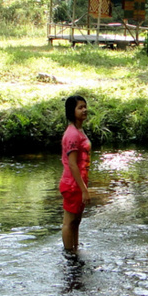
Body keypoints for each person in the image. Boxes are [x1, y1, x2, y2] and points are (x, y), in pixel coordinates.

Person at [60, 95, 91, 253]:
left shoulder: (79, 130)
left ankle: (75, 249)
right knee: (69, 222)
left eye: (85, 106)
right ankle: (69, 254)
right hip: (72, 184)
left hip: (78, 183)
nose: (84, 110)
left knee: (76, 221)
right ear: (72, 111)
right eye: (80, 107)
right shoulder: (72, 134)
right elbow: (72, 164)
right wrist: (84, 189)